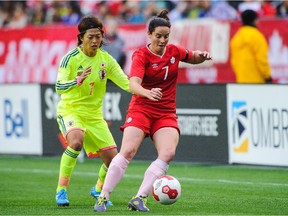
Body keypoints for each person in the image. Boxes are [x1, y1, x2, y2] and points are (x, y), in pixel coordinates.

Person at [94, 9, 212, 212]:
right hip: (141, 107)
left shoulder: (174, 51)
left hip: (165, 112)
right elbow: (133, 84)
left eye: (166, 36)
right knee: (128, 151)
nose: (163, 40)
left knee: (168, 153)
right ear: (149, 35)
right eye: (158, 36)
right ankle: (103, 197)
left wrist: (201, 56)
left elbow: (191, 57)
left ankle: (140, 197)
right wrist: (147, 93)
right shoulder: (141, 55)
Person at [55, 15, 130, 207]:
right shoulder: (70, 59)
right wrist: (75, 81)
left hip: (95, 115)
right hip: (71, 110)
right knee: (76, 142)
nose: (95, 41)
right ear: (81, 37)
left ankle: (98, 189)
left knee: (114, 161)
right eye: (91, 37)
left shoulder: (106, 59)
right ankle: (61, 190)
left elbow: (126, 83)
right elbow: (59, 87)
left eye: (98, 36)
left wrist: (146, 90)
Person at [230, 9, 272, 83]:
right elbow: (262, 60)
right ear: (255, 20)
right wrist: (267, 76)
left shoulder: (236, 38)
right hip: (257, 81)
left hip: (241, 81)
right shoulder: (257, 36)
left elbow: (234, 62)